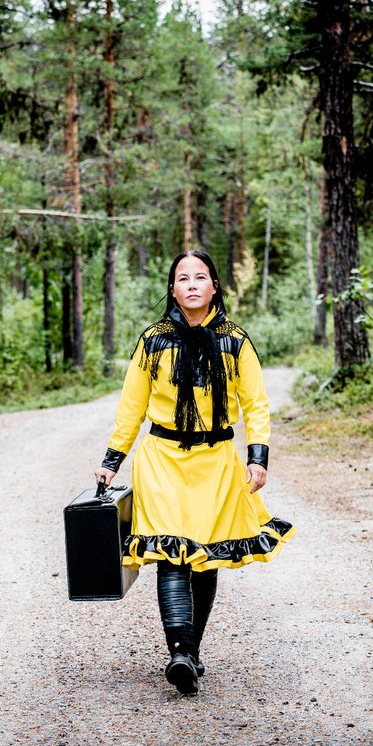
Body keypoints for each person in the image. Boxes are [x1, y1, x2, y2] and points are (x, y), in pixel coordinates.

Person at [93, 249, 295, 696]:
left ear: (214, 286)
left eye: (199, 277)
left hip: (217, 462)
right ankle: (179, 652)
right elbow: (132, 407)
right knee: (170, 554)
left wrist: (257, 457)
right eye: (182, 278)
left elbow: (255, 404)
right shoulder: (152, 342)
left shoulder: (236, 342)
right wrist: (111, 462)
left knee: (205, 558)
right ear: (172, 289)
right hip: (162, 458)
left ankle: (192, 649)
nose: (190, 284)